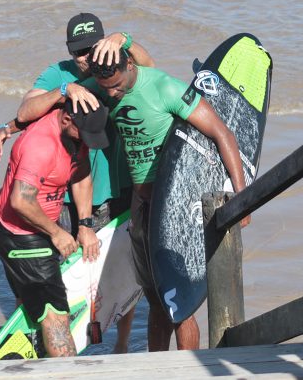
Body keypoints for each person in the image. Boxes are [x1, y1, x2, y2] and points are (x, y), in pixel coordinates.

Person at [0, 12, 154, 353]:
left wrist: (122, 40)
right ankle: (48, 327)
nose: (85, 59)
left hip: (115, 187)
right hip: (66, 194)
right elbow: (27, 109)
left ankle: (121, 343)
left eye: (91, 49)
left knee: (121, 269)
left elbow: (150, 69)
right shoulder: (59, 73)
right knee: (58, 270)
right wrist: (64, 90)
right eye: (78, 52)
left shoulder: (115, 62)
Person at [87, 47, 251, 352]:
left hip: (173, 208)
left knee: (179, 304)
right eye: (105, 87)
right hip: (141, 206)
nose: (112, 93)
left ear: (130, 65)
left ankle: (188, 371)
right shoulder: (104, 87)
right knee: (156, 301)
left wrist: (243, 197)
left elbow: (223, 133)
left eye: (116, 84)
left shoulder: (163, 87)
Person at [0, 99, 108, 357]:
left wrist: (85, 225)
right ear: (66, 120)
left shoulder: (76, 134)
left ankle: (37, 358)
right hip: (21, 236)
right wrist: (56, 232)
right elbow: (20, 200)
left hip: (35, 230)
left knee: (33, 307)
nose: (87, 142)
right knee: (55, 316)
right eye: (84, 135)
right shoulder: (41, 146)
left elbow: (81, 173)